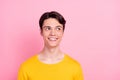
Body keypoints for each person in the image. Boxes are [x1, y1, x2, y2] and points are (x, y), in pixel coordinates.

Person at [17, 11, 84, 80]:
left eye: (58, 28)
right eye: (48, 28)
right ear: (41, 32)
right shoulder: (26, 68)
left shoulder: (75, 67)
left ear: (62, 32)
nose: (53, 33)